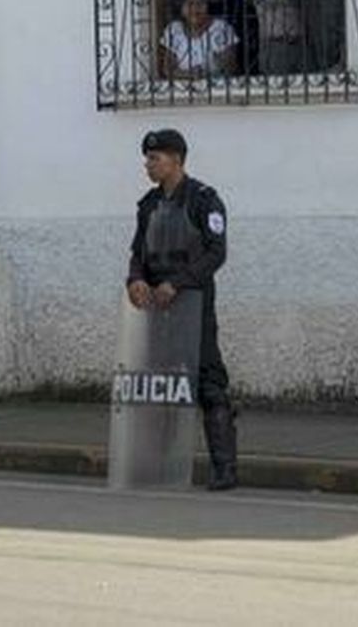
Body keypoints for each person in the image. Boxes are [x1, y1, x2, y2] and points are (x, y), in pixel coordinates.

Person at [126, 128, 238, 491]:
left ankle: (224, 468)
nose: (148, 165)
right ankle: (157, 464)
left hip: (193, 306)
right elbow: (137, 254)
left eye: (154, 159)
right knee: (159, 386)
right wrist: (135, 281)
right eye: (147, 158)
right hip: (156, 309)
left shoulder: (204, 200)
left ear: (176, 160)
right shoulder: (148, 205)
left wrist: (180, 282)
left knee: (208, 384)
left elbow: (215, 253)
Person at [159, 0, 239, 79]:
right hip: (181, 90)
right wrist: (190, 74)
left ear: (207, 6)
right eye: (190, 3)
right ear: (181, 8)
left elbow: (231, 67)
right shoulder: (174, 30)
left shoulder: (221, 28)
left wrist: (217, 65)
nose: (195, 8)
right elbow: (167, 70)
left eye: (200, 3)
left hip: (217, 89)